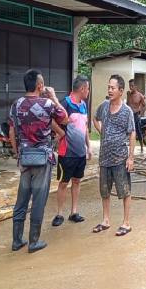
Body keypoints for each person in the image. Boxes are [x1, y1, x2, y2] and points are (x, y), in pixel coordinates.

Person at [9, 69, 68, 253]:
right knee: (38, 201)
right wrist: (54, 97)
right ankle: (33, 241)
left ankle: (17, 241)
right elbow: (65, 118)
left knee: (21, 200)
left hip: (25, 158)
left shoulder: (16, 104)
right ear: (40, 85)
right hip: (42, 159)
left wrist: (17, 152)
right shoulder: (48, 104)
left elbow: (11, 131)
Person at [92, 74, 136, 236]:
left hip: (120, 158)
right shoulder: (104, 106)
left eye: (113, 88)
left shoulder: (127, 112)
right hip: (104, 157)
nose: (110, 90)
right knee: (105, 191)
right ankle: (106, 220)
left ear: (121, 91)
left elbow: (132, 134)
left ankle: (126, 222)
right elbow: (95, 119)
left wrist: (131, 158)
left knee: (124, 191)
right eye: (108, 87)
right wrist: (102, 132)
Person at [51, 75, 91, 227]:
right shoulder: (64, 104)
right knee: (63, 183)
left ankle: (73, 212)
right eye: (87, 88)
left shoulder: (83, 105)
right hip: (66, 152)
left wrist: (88, 147)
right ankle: (59, 213)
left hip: (80, 152)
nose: (88, 91)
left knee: (77, 181)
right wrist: (60, 134)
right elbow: (52, 120)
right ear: (82, 89)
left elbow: (85, 127)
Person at [127, 79, 146, 153]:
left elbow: (145, 106)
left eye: (132, 86)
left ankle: (142, 147)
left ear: (136, 86)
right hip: (129, 115)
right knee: (129, 131)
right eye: (130, 86)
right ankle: (130, 146)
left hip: (136, 115)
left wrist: (140, 114)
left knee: (138, 131)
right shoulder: (129, 94)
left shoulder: (140, 95)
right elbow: (127, 104)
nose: (131, 87)